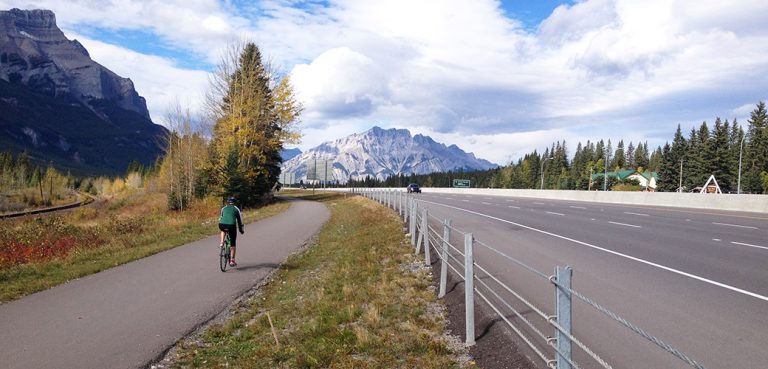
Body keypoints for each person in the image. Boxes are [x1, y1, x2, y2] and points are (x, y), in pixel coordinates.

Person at [219, 197, 244, 267]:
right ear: (234, 202)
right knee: (233, 243)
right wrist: (241, 230)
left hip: (221, 224)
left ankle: (221, 243)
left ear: (227, 202)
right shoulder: (236, 209)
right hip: (231, 226)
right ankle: (232, 260)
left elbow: (221, 217)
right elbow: (240, 221)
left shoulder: (223, 208)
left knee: (222, 230)